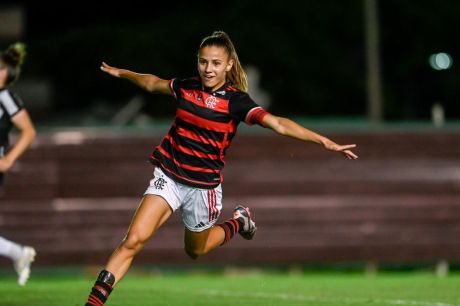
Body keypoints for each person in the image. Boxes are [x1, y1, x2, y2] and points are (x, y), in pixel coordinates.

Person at [85, 30, 358, 306]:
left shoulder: (236, 101)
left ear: (228, 65)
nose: (208, 69)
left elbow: (277, 123)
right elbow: (152, 83)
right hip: (168, 176)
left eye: (216, 63)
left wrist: (323, 141)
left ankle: (239, 221)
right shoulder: (186, 87)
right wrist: (124, 73)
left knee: (195, 251)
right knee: (133, 240)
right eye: (203, 62)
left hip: (203, 189)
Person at [0, 42, 37, 286]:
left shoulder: (5, 97)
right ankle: (18, 253)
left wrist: (9, 159)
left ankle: (18, 253)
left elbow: (28, 131)